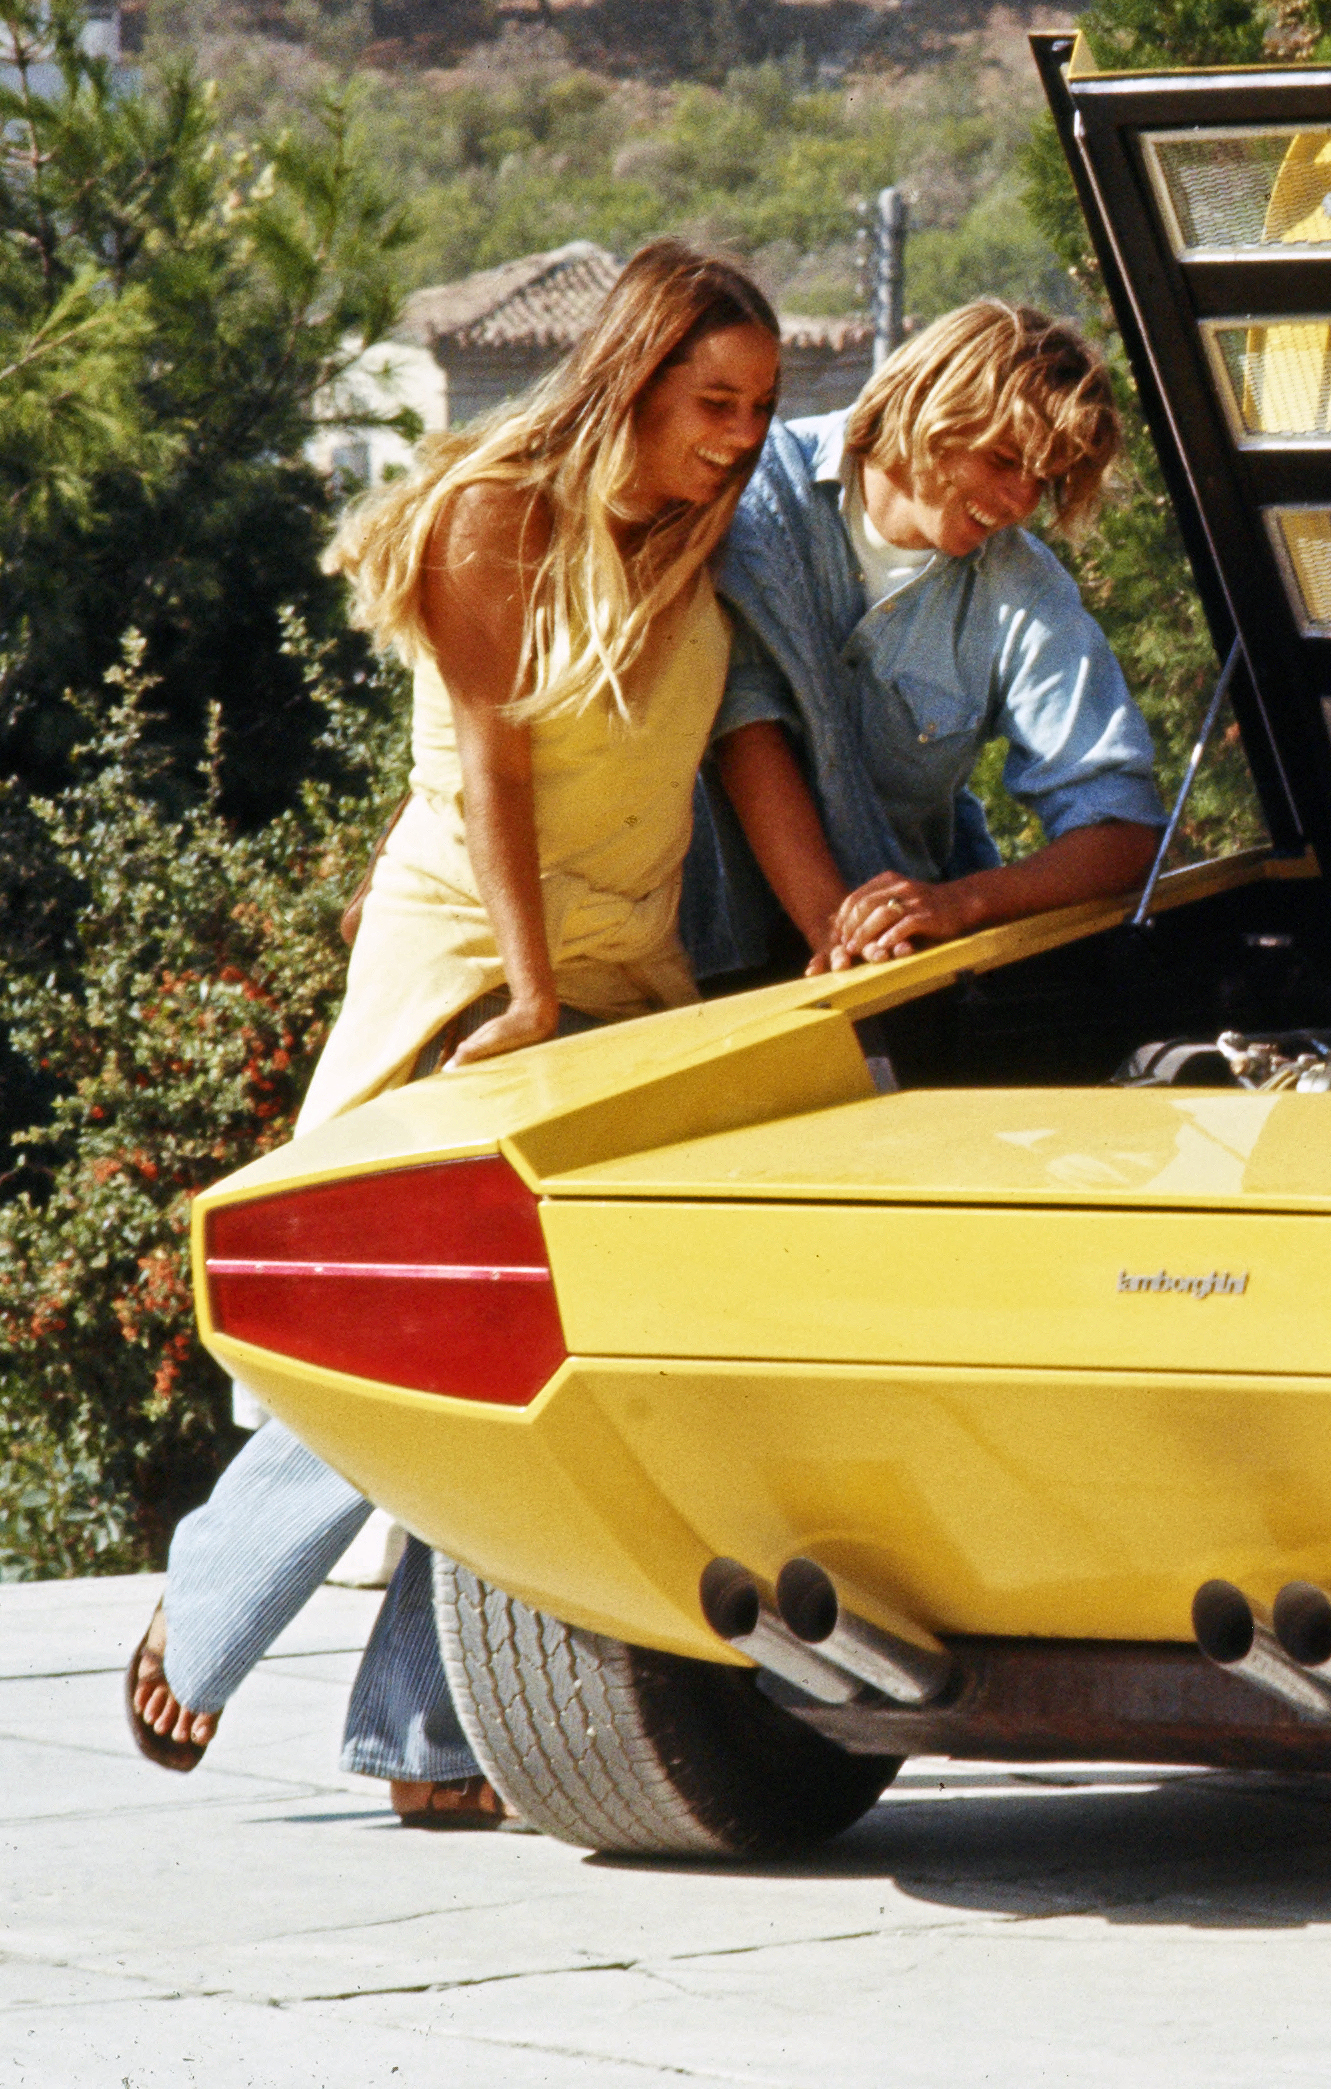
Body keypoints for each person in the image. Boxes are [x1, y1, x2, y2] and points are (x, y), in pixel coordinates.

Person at [123, 239, 782, 1825]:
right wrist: (530, 994)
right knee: (404, 1315)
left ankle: (427, 1729)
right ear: (631, 373)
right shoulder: (497, 510)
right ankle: (207, 1603)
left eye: (761, 408)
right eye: (713, 399)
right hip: (476, 954)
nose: (741, 435)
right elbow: (492, 764)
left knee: (528, 1349)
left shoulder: (707, 532)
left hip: (626, 961)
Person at [683, 298, 1165, 984]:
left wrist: (958, 901)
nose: (1020, 500)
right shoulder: (760, 499)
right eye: (1003, 458)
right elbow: (743, 727)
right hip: (705, 966)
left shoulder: (1021, 587)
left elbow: (1121, 826)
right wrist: (837, 935)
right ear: (931, 405)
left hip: (898, 972)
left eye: (1046, 478)